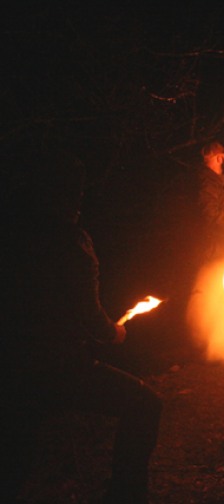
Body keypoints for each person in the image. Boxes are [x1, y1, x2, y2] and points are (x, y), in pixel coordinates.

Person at [1, 160, 163, 504]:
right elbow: (88, 314)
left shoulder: (14, 236)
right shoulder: (72, 244)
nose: (79, 199)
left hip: (15, 366)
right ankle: (125, 495)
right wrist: (112, 333)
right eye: (76, 192)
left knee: (16, 455)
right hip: (58, 369)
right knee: (145, 404)